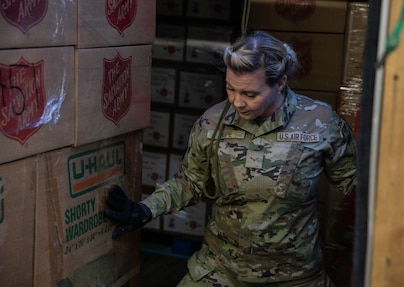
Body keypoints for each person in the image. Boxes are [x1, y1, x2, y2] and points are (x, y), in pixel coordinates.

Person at [105, 30, 357, 287]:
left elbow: (357, 183)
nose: (237, 102)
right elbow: (190, 183)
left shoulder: (320, 122)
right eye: (230, 88)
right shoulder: (212, 122)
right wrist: (146, 209)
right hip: (223, 268)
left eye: (250, 94)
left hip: (294, 275)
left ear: (280, 83)